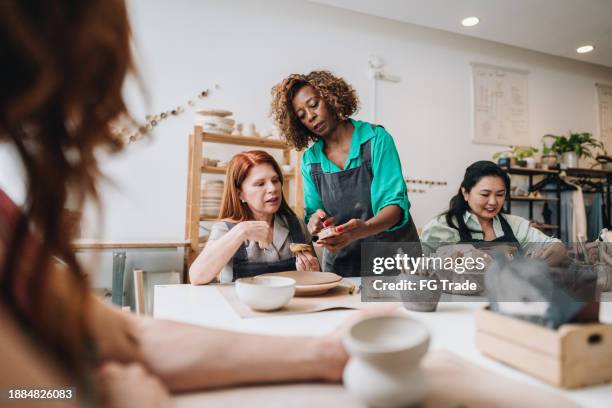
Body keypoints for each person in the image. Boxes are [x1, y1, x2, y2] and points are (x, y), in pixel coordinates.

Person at [0, 3, 357, 406]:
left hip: (288, 328)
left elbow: (125, 336)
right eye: (100, 75)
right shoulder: (229, 227)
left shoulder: (292, 226)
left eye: (276, 181)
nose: (113, 111)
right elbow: (21, 390)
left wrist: (328, 351)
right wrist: (117, 396)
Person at [270, 71, 419, 277]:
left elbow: (394, 207)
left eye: (313, 105)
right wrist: (315, 221)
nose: (310, 117)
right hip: (343, 263)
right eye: (302, 116)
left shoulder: (376, 139)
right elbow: (314, 211)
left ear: (331, 98)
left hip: (393, 259)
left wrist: (363, 228)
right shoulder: (311, 160)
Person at [190, 150, 319, 284]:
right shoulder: (226, 229)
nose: (272, 188)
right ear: (240, 194)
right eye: (260, 184)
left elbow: (318, 278)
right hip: (240, 305)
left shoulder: (296, 225)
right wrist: (242, 231)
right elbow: (197, 277)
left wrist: (313, 273)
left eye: (275, 180)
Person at [421, 161, 566, 264]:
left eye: (500, 194)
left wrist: (547, 257)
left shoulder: (515, 225)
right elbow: (419, 267)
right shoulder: (441, 227)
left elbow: (555, 246)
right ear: (465, 193)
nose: (493, 202)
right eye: (485, 194)